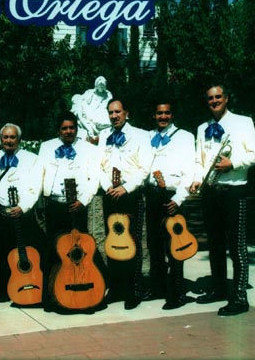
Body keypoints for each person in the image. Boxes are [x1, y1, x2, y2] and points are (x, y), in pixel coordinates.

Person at [190, 84, 255, 316]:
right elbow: (199, 160)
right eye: (210, 98)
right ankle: (219, 289)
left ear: (226, 98)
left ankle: (240, 297)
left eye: (218, 97)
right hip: (210, 191)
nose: (214, 101)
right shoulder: (202, 128)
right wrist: (197, 179)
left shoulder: (243, 122)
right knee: (215, 244)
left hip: (234, 191)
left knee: (237, 246)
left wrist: (233, 163)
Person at [38, 111, 105, 311]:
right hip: (55, 205)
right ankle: (51, 296)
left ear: (76, 129)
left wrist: (82, 201)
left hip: (78, 206)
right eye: (64, 128)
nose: (68, 131)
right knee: (53, 250)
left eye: (72, 128)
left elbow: (94, 178)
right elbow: (40, 175)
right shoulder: (46, 147)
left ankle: (86, 292)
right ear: (58, 130)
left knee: (80, 250)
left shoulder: (88, 149)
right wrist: (41, 202)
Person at [97, 99, 151, 310]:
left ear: (126, 113)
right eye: (110, 112)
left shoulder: (141, 135)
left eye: (117, 112)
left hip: (130, 195)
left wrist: (126, 188)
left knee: (132, 242)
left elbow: (144, 168)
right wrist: (107, 187)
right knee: (112, 240)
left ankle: (134, 289)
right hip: (110, 195)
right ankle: (116, 288)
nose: (114, 116)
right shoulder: (104, 136)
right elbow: (99, 166)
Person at [144, 102, 195, 309]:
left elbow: (189, 172)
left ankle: (177, 292)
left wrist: (179, 199)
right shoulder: (148, 137)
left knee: (175, 245)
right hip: (152, 195)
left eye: (166, 113)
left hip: (173, 196)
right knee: (154, 245)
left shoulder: (185, 137)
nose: (163, 117)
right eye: (159, 113)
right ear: (154, 115)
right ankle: (158, 287)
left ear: (172, 115)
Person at [0, 123, 45, 302]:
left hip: (22, 214)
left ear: (19, 139)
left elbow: (36, 186)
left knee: (28, 252)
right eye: (5, 137)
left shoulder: (31, 158)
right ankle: (6, 290)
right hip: (1, 215)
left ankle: (31, 287)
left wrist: (23, 207)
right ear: (0, 140)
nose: (9, 140)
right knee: (2, 253)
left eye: (12, 137)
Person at [71, 76, 113, 142]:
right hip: (90, 110)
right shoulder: (90, 92)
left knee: (106, 121)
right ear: (96, 85)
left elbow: (109, 106)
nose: (101, 87)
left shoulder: (108, 94)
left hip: (102, 112)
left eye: (102, 86)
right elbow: (81, 100)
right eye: (100, 85)